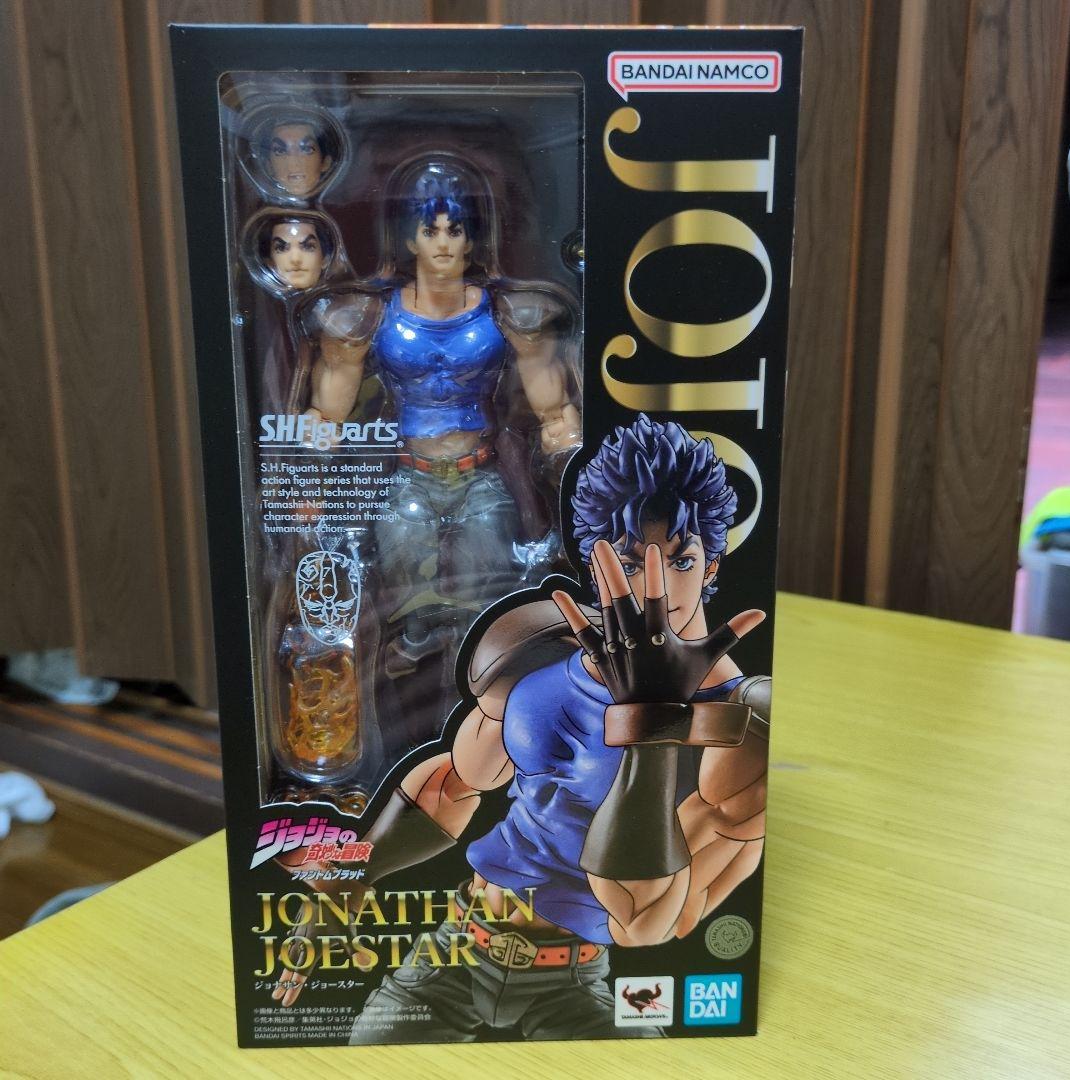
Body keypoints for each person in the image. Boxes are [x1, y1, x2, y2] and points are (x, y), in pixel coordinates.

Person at [271, 415, 771, 1041]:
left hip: (573, 986)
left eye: (682, 559)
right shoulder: (538, 649)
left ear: (712, 564)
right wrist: (350, 874)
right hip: (455, 948)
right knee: (368, 1051)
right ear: (596, 562)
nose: (656, 585)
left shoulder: (741, 721)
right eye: (628, 559)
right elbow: (456, 782)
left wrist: (649, 724)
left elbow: (644, 922)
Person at [294, 156, 581, 738]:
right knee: (404, 611)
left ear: (473, 239)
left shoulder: (507, 312)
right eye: (432, 230)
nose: (445, 243)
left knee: (489, 603)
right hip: (408, 477)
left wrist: (573, 465)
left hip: (481, 477)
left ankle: (489, 721)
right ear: (411, 239)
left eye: (456, 230)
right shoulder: (371, 315)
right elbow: (326, 415)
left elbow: (555, 412)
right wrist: (308, 485)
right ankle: (412, 713)